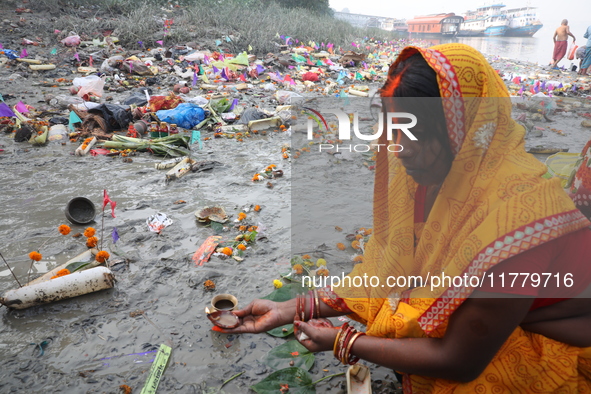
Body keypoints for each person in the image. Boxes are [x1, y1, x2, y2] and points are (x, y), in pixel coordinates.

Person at [213, 44, 591, 392]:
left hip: (556, 334)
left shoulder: (518, 221)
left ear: (462, 130)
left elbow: (460, 361)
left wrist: (344, 340)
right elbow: (385, 270)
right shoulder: (436, 175)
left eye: (419, 132)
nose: (400, 148)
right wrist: (287, 309)